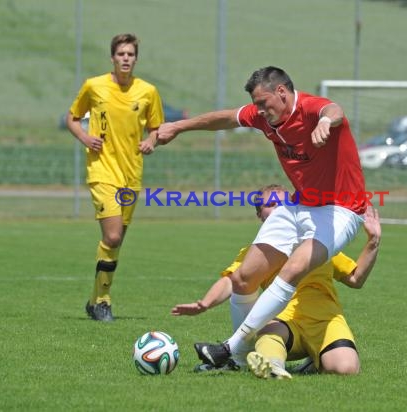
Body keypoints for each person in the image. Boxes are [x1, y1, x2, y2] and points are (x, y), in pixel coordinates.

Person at [157, 66, 366, 366]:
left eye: (263, 103)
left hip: (340, 211)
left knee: (292, 269)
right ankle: (240, 360)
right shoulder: (263, 115)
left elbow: (334, 110)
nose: (259, 111)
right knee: (245, 277)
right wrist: (179, 126)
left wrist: (324, 122)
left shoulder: (310, 109)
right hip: (298, 206)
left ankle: (230, 349)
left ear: (281, 92)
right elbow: (227, 117)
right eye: (255, 105)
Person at [171, 185, 381, 379]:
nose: (279, 208)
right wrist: (205, 303)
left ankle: (315, 358)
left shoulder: (318, 244)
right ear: (260, 216)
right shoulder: (257, 253)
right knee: (269, 342)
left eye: (284, 203)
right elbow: (233, 281)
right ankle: (271, 367)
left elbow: (355, 278)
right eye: (270, 205)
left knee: (346, 369)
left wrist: (372, 242)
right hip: (281, 324)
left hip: (326, 320)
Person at [66, 33, 164, 321]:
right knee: (111, 235)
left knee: (116, 241)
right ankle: (104, 302)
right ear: (112, 57)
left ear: (136, 58)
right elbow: (72, 118)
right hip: (102, 171)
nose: (125, 58)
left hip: (131, 174)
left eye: (130, 54)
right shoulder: (94, 86)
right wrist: (85, 137)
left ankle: (95, 300)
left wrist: (151, 142)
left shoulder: (148, 91)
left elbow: (157, 127)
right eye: (121, 53)